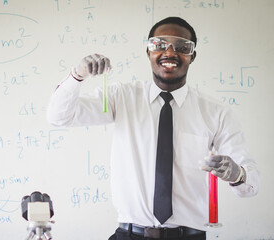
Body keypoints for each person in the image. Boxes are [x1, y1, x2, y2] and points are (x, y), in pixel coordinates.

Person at [47, 17, 259, 240]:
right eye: (159, 45)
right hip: (130, 235)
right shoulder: (121, 97)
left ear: (192, 56)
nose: (169, 52)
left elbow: (250, 186)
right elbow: (59, 117)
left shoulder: (216, 113)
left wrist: (238, 174)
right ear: (148, 52)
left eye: (181, 47)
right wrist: (77, 75)